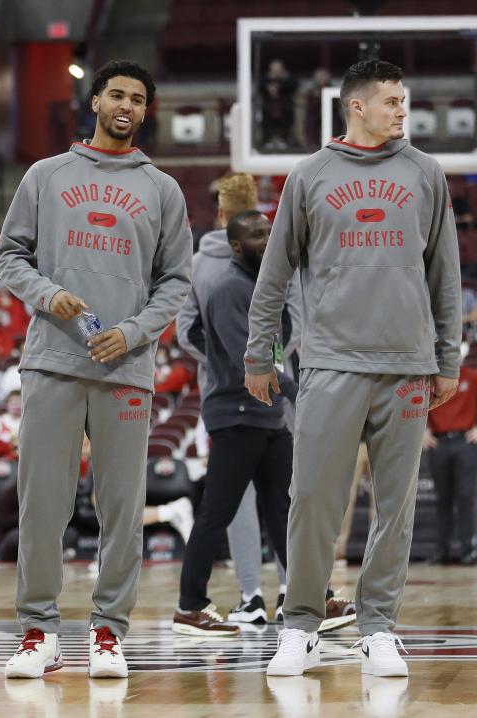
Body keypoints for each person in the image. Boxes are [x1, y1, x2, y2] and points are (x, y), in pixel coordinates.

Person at [245, 59, 462, 678]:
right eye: (391, 100)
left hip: (407, 364)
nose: (402, 110)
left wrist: (447, 358)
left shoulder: (425, 173)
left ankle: (379, 627)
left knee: (395, 506)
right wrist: (260, 352)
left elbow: (445, 274)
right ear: (356, 107)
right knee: (311, 496)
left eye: (404, 100)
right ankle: (301, 624)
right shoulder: (310, 175)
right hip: (331, 361)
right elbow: (274, 273)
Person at [0, 59, 192, 679]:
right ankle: (38, 633)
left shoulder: (162, 189)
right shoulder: (46, 175)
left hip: (125, 368)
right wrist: (48, 295)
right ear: (97, 101)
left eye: (137, 97)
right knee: (43, 505)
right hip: (53, 360)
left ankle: (109, 632)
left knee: (122, 507)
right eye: (116, 94)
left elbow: (176, 281)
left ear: (145, 110)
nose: (126, 104)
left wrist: (134, 332)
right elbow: (9, 256)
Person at [171, 212, 296, 637]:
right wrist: (299, 392)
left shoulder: (265, 287)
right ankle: (190, 605)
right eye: (256, 235)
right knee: (216, 513)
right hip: (237, 416)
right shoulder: (228, 288)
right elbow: (252, 357)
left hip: (268, 414)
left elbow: (275, 348)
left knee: (284, 510)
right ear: (236, 246)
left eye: (268, 231)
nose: (266, 239)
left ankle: (305, 596)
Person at [424, 362, 477, 564]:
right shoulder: (431, 377)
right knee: (442, 498)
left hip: (464, 442)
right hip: (439, 442)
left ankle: (469, 551)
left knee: (467, 497)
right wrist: (422, 432)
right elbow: (415, 402)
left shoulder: (473, 376)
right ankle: (441, 552)